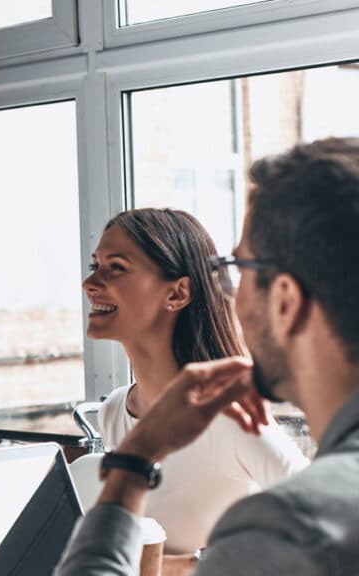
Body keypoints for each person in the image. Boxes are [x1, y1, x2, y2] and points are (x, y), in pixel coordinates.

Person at [57, 137, 359, 575]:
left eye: (239, 271)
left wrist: (132, 467)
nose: (229, 294)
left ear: (286, 300)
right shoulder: (115, 411)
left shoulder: (285, 529)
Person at [82, 208, 308, 556]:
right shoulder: (115, 410)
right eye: (95, 266)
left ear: (177, 293)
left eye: (117, 268)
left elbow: (327, 524)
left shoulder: (230, 419)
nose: (90, 284)